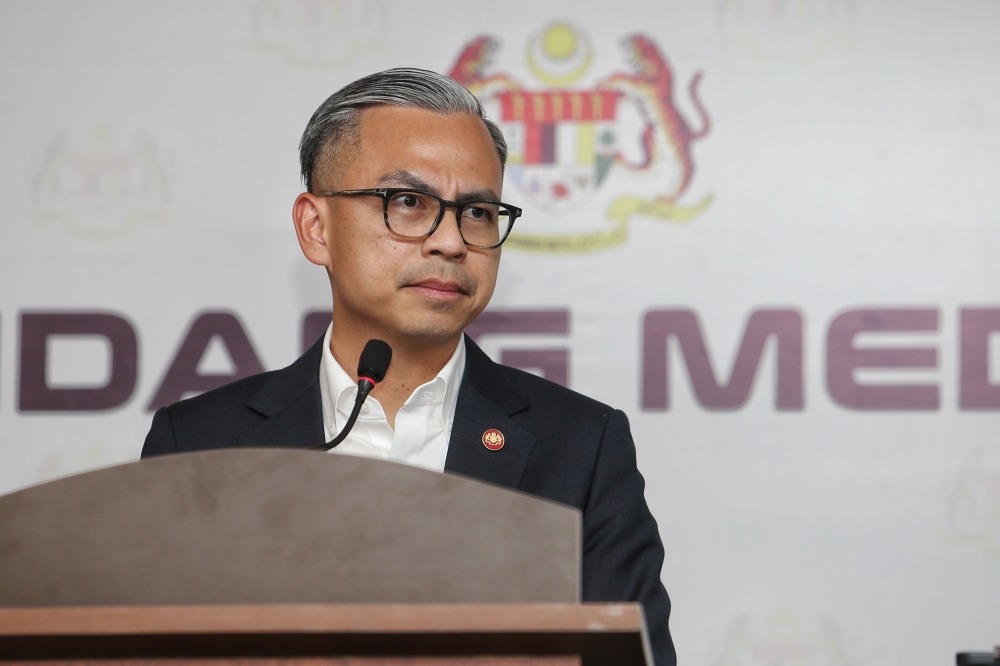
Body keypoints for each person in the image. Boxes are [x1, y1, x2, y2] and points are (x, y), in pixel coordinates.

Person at [142, 68, 676, 666]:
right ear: (316, 228)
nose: (451, 242)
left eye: (476, 211)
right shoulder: (199, 445)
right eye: (408, 202)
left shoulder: (581, 448)